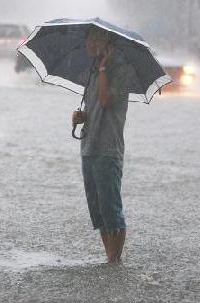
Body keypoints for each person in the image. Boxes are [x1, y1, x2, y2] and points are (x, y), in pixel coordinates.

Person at [72, 27, 129, 263]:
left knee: (111, 210)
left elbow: (106, 101)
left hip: (108, 149)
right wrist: (80, 117)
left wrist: (104, 67)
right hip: (89, 147)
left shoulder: (119, 71)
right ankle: (110, 259)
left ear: (105, 44)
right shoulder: (92, 73)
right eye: (87, 39)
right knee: (98, 212)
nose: (88, 44)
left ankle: (114, 261)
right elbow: (94, 108)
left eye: (92, 40)